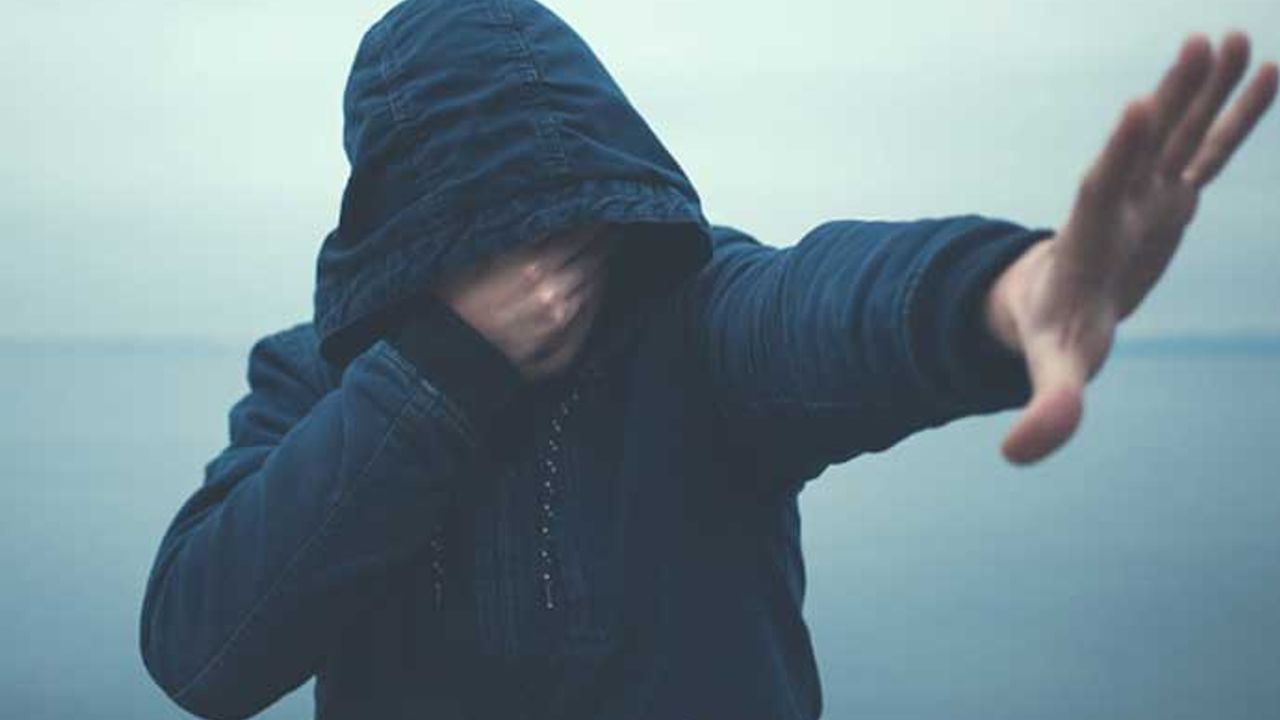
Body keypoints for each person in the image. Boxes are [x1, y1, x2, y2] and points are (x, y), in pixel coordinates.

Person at [137, 1, 1277, 718]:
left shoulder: (695, 323)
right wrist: (445, 369)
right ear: (404, 227)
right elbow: (202, 651)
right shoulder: (316, 378)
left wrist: (1006, 289)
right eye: (488, 233)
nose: (542, 271)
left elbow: (826, 302)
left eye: (563, 221)